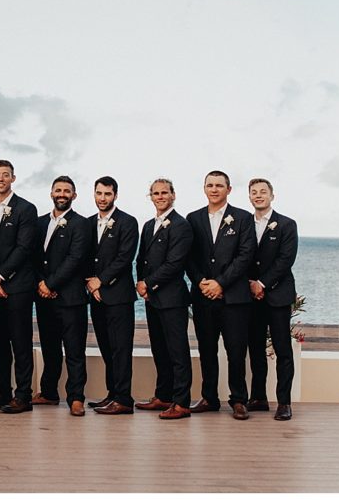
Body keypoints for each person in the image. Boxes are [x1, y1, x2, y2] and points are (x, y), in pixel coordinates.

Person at [186, 170, 257, 420]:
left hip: (234, 298)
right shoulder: (193, 218)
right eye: (209, 185)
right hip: (203, 296)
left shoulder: (243, 218)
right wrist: (201, 282)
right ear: (204, 189)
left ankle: (238, 399)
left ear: (228, 189)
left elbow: (246, 255)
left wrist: (221, 283)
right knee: (206, 349)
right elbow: (189, 257)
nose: (214, 189)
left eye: (219, 185)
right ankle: (209, 397)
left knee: (236, 350)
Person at [0, 160, 38, 414]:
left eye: (6, 175)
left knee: (21, 342)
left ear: (13, 178)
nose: (1, 178)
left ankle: (23, 395)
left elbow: (25, 248)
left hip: (18, 287)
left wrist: (1, 276)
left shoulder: (26, 209)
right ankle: (1, 389)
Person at [134, 178, 194, 420]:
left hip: (172, 299)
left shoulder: (181, 225)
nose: (160, 196)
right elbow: (141, 259)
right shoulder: (148, 225)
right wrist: (142, 284)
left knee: (177, 352)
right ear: (151, 196)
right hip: (152, 299)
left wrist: (148, 283)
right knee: (159, 350)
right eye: (155, 193)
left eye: (164, 192)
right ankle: (164, 396)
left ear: (173, 195)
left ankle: (182, 402)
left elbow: (174, 263)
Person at [32, 176, 89, 417]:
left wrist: (51, 283)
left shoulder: (81, 224)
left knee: (75, 350)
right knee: (50, 348)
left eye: (67, 191)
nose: (62, 194)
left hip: (71, 298)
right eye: (58, 190)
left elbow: (75, 259)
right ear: (51, 193)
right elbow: (31, 255)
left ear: (74, 195)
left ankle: (76, 398)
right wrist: (40, 284)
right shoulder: (39, 223)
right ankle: (48, 392)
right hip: (44, 298)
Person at [84, 176, 139, 415]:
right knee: (107, 348)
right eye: (99, 193)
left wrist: (101, 281)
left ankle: (124, 399)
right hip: (96, 297)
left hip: (119, 296)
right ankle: (112, 395)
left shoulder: (127, 222)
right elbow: (83, 257)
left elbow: (124, 258)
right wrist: (91, 285)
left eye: (107, 194)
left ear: (115, 195)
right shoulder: (87, 224)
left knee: (121, 349)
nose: (102, 198)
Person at [245, 178, 298, 421]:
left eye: (263, 192)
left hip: (276, 296)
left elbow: (285, 260)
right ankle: (258, 397)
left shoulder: (287, 224)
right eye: (254, 192)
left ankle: (284, 402)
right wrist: (249, 284)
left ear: (272, 196)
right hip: (250, 297)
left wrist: (262, 284)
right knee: (255, 348)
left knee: (283, 350)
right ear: (249, 197)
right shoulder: (244, 223)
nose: (258, 196)